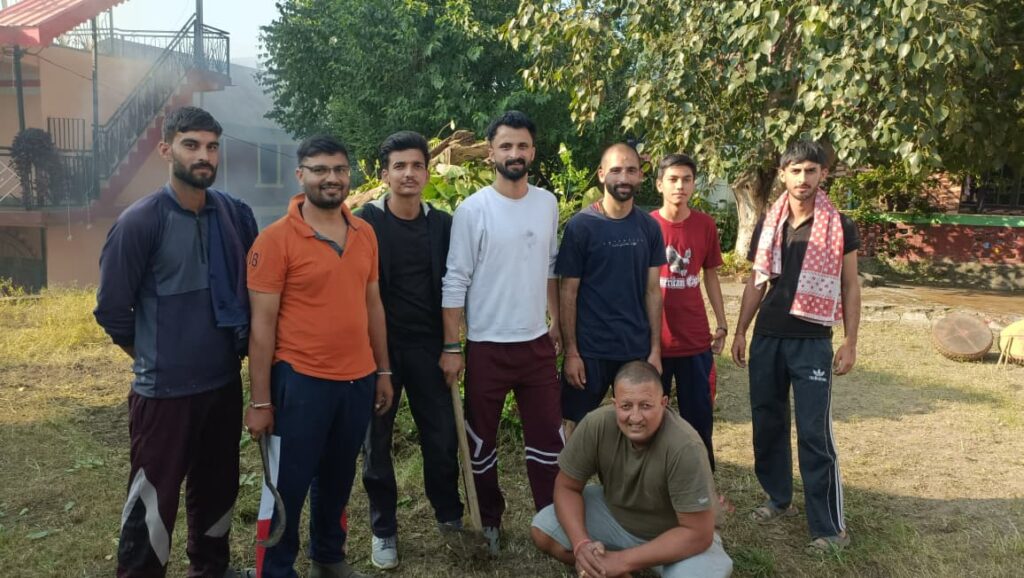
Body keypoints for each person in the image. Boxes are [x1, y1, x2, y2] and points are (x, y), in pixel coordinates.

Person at [94, 106, 258, 578]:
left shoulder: (234, 215)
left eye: (212, 146)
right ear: (166, 149)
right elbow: (112, 311)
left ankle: (211, 569)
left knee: (219, 486)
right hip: (163, 393)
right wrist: (155, 354)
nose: (204, 155)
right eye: (191, 145)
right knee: (153, 495)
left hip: (223, 382)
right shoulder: (140, 222)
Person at [245, 134, 394, 578]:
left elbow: (373, 305)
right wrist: (260, 401)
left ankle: (328, 557)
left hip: (357, 380)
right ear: (301, 175)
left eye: (340, 170)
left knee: (337, 477)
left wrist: (383, 370)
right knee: (287, 485)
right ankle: (275, 570)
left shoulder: (365, 233)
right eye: (320, 170)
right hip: (301, 380)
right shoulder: (275, 240)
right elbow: (261, 328)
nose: (332, 178)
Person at [440, 110, 564, 554]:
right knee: (481, 441)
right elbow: (455, 280)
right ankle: (489, 519)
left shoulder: (547, 203)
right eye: (506, 145)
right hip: (487, 346)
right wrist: (452, 346)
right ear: (490, 153)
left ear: (533, 151)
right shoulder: (473, 210)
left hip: (535, 344)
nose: (515, 153)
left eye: (522, 145)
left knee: (548, 440)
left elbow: (550, 266)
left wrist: (556, 322)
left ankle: (551, 520)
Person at [730, 140, 860, 554]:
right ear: (783, 175)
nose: (803, 178)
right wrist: (741, 330)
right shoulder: (769, 224)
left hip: (812, 341)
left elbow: (850, 286)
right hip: (768, 337)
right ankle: (777, 497)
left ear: (823, 174)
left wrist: (850, 341)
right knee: (767, 422)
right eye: (795, 171)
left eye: (810, 170)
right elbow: (757, 281)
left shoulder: (839, 225)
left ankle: (829, 527)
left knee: (813, 432)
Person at [356, 131, 464, 569]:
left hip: (429, 347)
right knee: (376, 443)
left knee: (441, 436)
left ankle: (449, 514)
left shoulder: (442, 225)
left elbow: (455, 285)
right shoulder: (366, 223)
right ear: (384, 174)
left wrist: (452, 345)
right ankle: (383, 528)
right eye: (399, 166)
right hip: (377, 350)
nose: (408, 173)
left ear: (427, 172)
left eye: (417, 165)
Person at [530, 361, 733, 578]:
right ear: (615, 404)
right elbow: (566, 487)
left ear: (663, 403)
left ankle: (618, 564)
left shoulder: (685, 446)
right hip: (615, 517)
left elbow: (698, 534)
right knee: (543, 528)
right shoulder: (596, 424)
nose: (635, 417)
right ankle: (610, 568)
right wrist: (581, 545)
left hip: (674, 534)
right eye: (626, 406)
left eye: (645, 406)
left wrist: (622, 560)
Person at [558, 143, 665, 433]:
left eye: (631, 170)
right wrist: (571, 353)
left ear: (641, 176)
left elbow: (653, 292)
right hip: (589, 350)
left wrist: (655, 350)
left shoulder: (649, 227)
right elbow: (568, 292)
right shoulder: (581, 226)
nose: (624, 178)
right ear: (601, 174)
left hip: (635, 348)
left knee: (636, 425)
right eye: (616, 170)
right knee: (574, 426)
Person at [651, 153, 727, 470]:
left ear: (694, 184)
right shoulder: (647, 225)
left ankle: (702, 482)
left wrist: (722, 323)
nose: (680, 186)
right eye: (672, 179)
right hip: (653, 343)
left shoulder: (704, 225)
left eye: (686, 179)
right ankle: (652, 482)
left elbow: (711, 275)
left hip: (695, 341)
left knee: (698, 419)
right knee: (651, 419)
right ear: (659, 184)